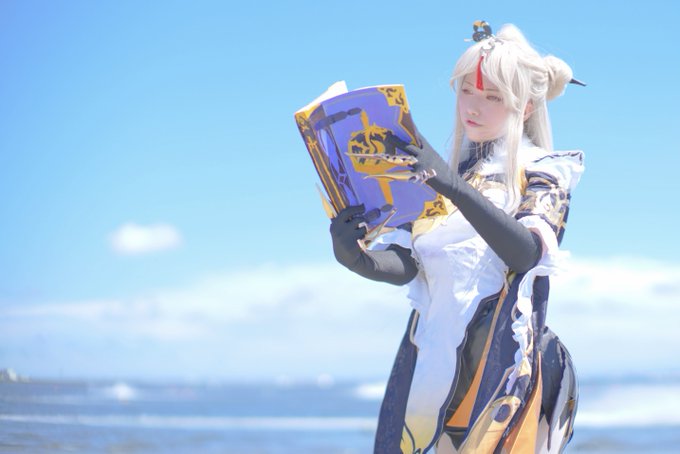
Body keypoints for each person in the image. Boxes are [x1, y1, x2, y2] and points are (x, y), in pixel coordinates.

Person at [329, 22, 584, 453]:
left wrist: (451, 185)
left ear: (524, 107)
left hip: (500, 370)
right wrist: (357, 258)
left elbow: (526, 253)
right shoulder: (441, 177)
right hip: (429, 369)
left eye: (493, 97)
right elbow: (410, 264)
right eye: (467, 91)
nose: (473, 106)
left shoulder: (545, 170)